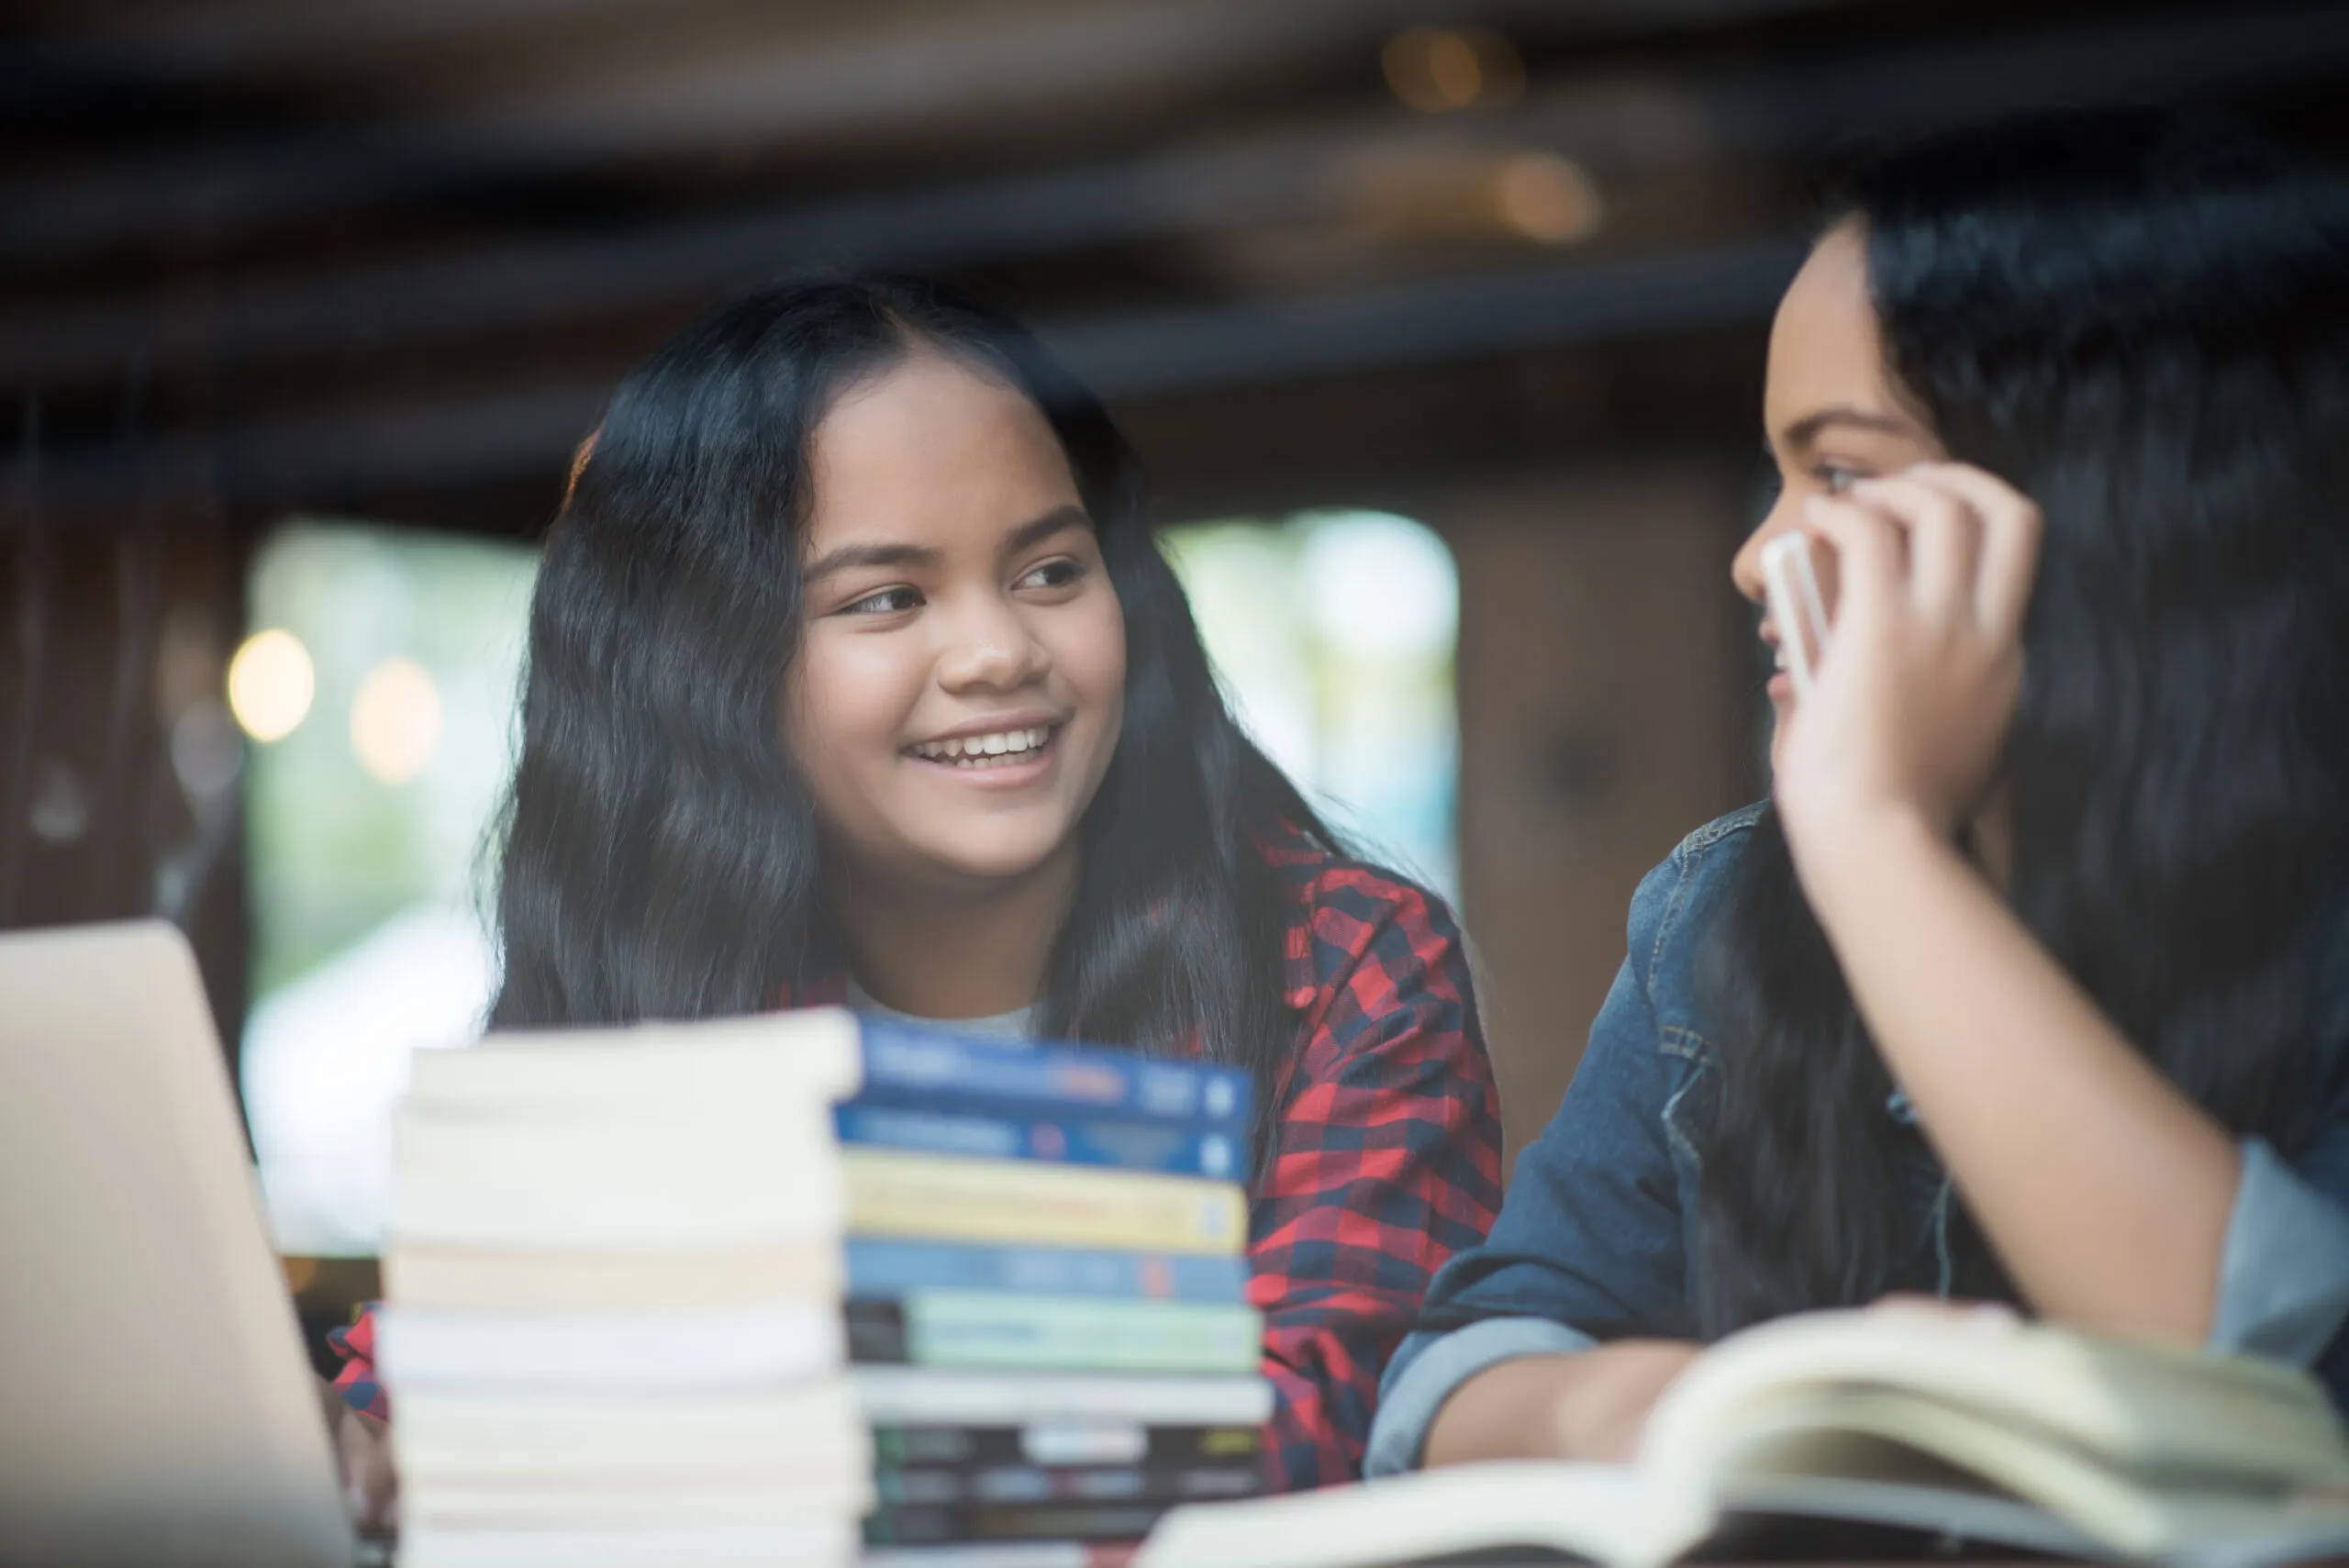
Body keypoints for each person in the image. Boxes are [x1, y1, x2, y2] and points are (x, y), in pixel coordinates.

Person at [322, 274, 1503, 1520]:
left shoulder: (1343, 965)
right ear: (705, 671)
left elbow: (1315, 1426)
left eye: (1050, 570)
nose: (998, 651)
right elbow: (437, 1387)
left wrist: (675, 1442)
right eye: (886, 598)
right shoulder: (659, 987)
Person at [1366, 107, 2349, 1478]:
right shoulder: (1714, 920)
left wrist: (1874, 835)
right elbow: (1452, 1379)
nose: (1760, 557)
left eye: (1837, 472)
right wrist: (1657, 1408)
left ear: (2105, 503)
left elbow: (2273, 1399)